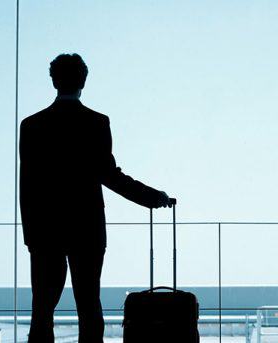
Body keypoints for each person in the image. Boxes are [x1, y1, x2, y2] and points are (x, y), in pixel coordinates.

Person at [20, 53, 172, 342]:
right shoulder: (96, 123)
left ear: (53, 80)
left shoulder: (32, 126)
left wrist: (32, 238)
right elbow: (111, 176)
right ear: (84, 82)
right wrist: (153, 197)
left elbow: (27, 187)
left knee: (42, 311)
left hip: (45, 232)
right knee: (89, 306)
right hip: (86, 229)